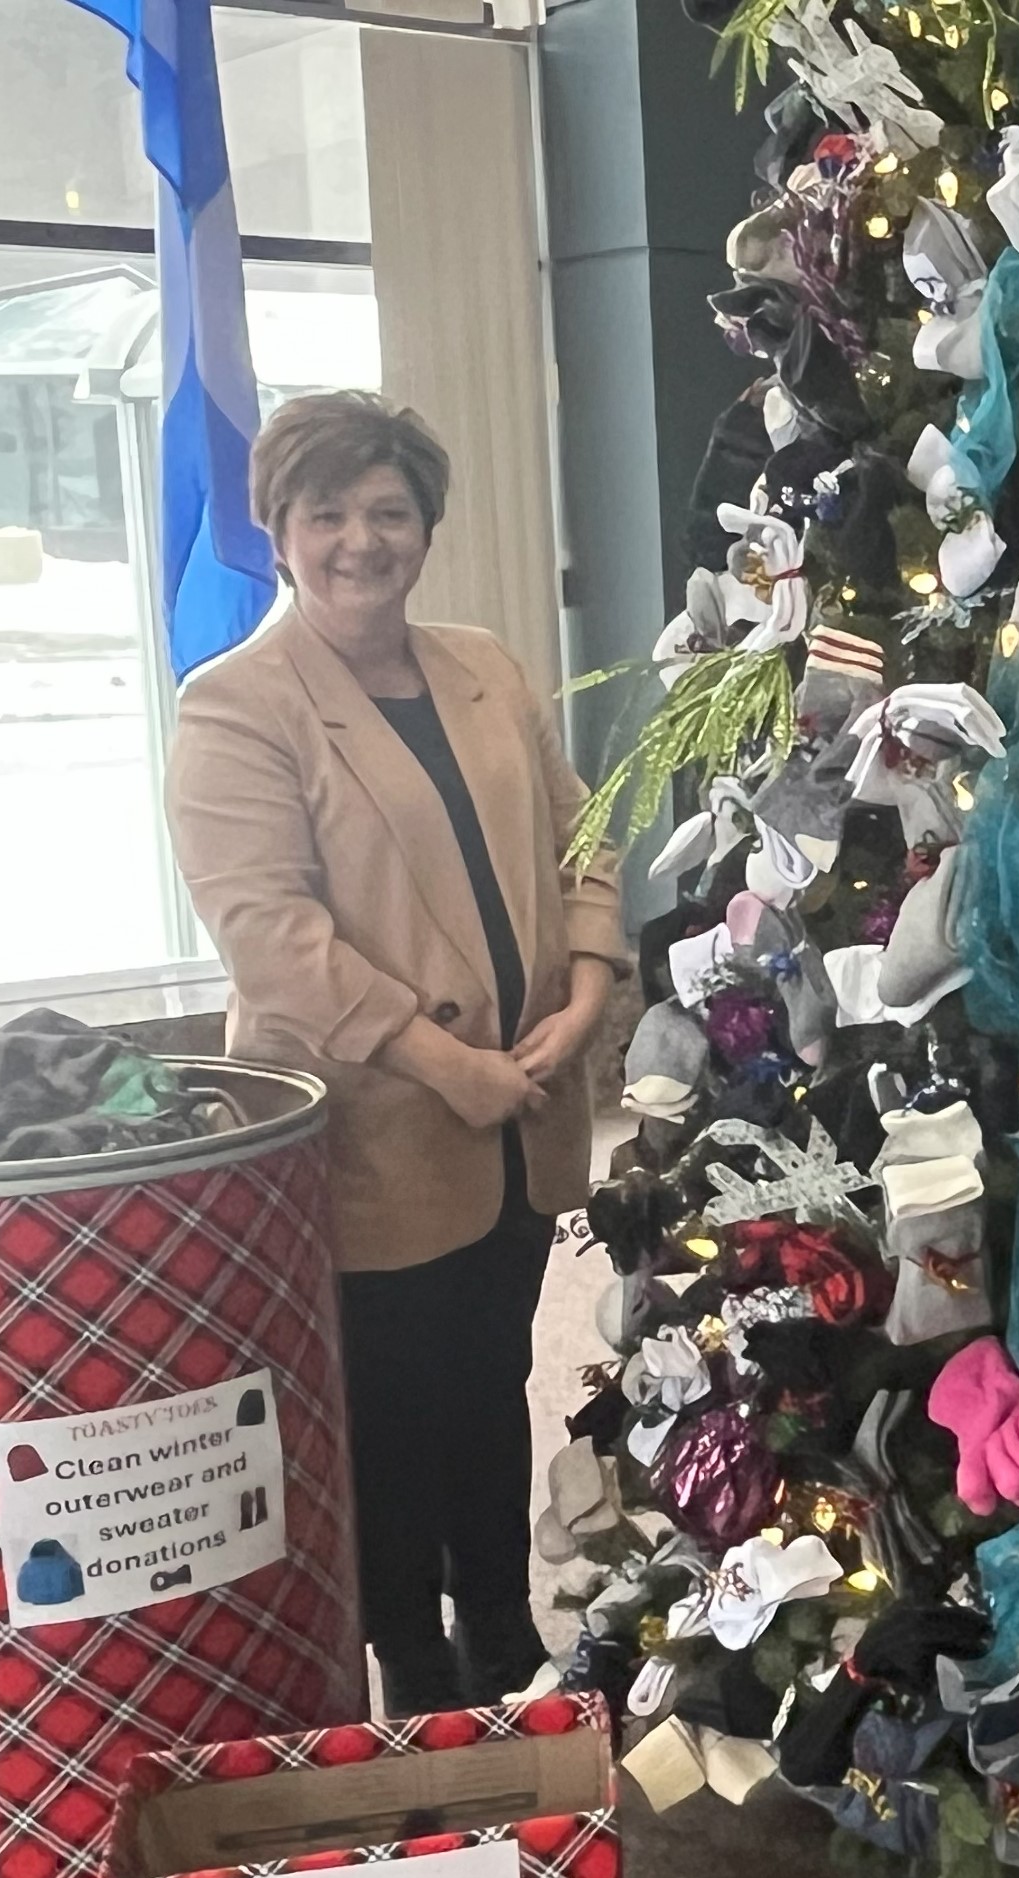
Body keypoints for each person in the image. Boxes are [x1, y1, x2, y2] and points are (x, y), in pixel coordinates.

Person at [167, 393, 628, 1714]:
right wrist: (445, 1062)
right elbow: (274, 937)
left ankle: (500, 1623)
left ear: (425, 523)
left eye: (388, 511)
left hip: (523, 1107)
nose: (361, 541)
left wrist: (589, 986)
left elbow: (578, 833)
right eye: (329, 514)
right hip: (374, 1126)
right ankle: (412, 1661)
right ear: (282, 530)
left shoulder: (484, 662)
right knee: (387, 1410)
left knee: (491, 1379)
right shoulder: (238, 705)